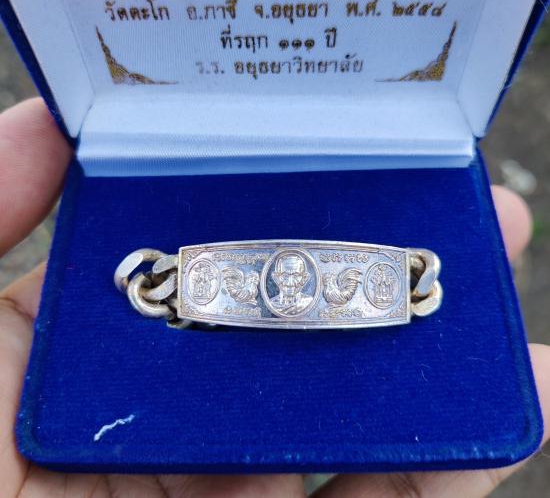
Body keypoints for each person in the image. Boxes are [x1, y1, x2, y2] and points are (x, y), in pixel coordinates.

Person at [0, 98, 548, 497]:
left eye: (291, 277)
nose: (287, 282)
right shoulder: (184, 283)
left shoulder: (396, 280)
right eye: (283, 276)